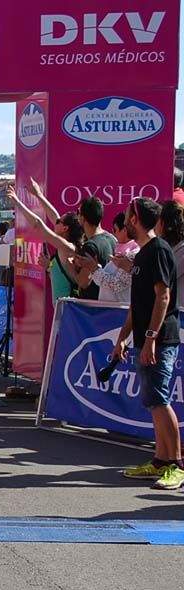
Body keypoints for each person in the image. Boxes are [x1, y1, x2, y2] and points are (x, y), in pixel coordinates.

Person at [114, 198, 183, 490]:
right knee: (153, 401)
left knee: (159, 399)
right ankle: (160, 459)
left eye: (129, 216)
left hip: (161, 338)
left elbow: (163, 297)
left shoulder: (159, 251)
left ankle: (177, 464)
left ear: (136, 219)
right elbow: (137, 304)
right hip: (146, 338)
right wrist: (123, 337)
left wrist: (152, 339)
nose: (126, 220)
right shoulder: (142, 254)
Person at [7, 184, 87, 304]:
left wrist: (17, 202)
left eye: (59, 222)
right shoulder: (66, 247)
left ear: (65, 228)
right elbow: (53, 215)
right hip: (64, 310)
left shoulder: (68, 248)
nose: (55, 222)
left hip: (69, 312)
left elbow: (37, 224)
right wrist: (38, 194)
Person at [83, 211, 137, 304]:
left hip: (120, 313)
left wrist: (94, 269)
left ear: (124, 230)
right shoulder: (121, 251)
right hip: (110, 312)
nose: (114, 234)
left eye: (115, 230)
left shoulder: (133, 254)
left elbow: (117, 285)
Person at [155, 201, 184, 306]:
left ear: (164, 223)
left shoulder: (181, 251)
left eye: (156, 219)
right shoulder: (164, 247)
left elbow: (162, 278)